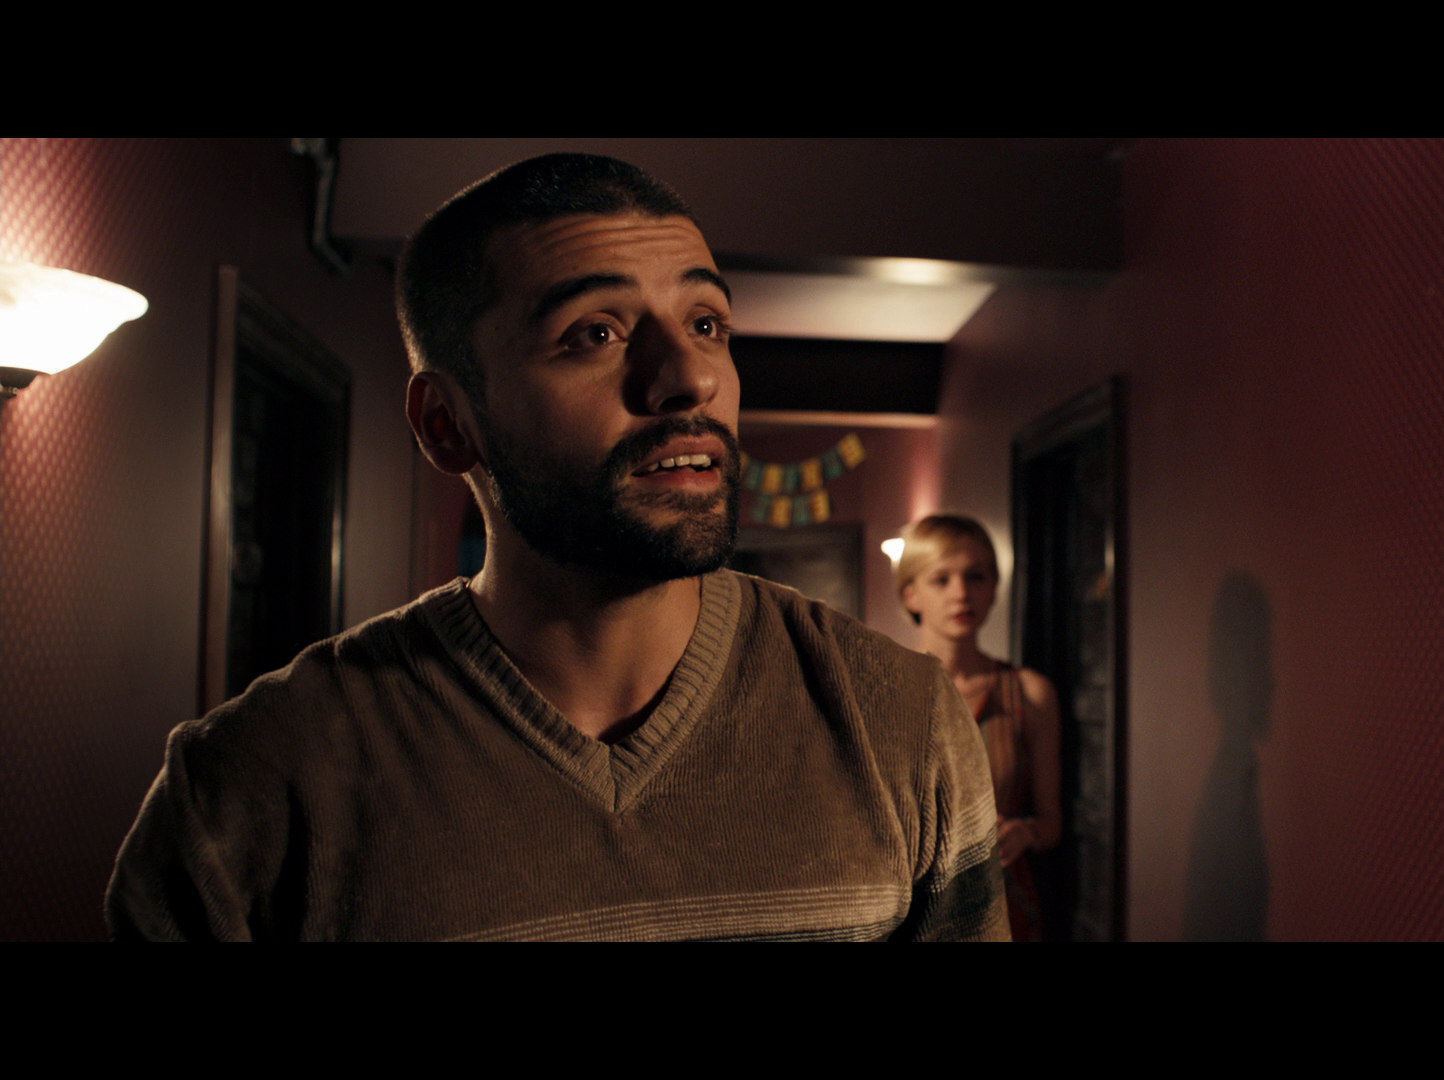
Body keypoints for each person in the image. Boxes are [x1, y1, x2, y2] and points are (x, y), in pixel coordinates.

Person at [105, 153, 1008, 941]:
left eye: (706, 324)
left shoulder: (901, 721)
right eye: (595, 333)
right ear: (447, 423)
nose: (689, 377)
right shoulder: (249, 789)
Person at [895, 515, 1061, 941]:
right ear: (911, 593)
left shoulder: (1029, 693)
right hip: (906, 912)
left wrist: (1025, 832)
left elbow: (1051, 822)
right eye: (942, 579)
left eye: (976, 576)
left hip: (1002, 909)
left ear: (994, 589)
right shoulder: (883, 690)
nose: (961, 593)